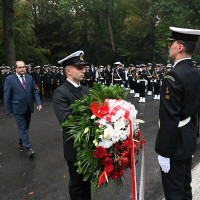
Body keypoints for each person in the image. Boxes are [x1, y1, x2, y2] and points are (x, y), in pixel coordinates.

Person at [155, 27, 200, 200]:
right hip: (187, 138)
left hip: (174, 145)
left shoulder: (173, 76)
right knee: (184, 188)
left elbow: (169, 118)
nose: (169, 46)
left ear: (180, 47)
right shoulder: (194, 72)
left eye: (171, 43)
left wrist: (165, 153)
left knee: (174, 192)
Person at [53, 51, 91, 200]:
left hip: (89, 146)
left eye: (84, 67)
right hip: (75, 147)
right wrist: (91, 112)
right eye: (79, 67)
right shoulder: (60, 92)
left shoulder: (87, 90)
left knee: (87, 184)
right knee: (77, 186)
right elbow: (66, 120)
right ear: (68, 71)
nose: (83, 70)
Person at [4, 61, 42, 157]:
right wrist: (8, 110)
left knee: (26, 127)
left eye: (24, 67)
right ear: (15, 69)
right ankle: (28, 148)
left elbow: (34, 90)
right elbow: (7, 96)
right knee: (23, 128)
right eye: (20, 67)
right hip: (17, 108)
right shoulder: (9, 79)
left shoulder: (29, 77)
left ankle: (21, 142)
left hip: (28, 107)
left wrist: (38, 102)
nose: (22, 69)